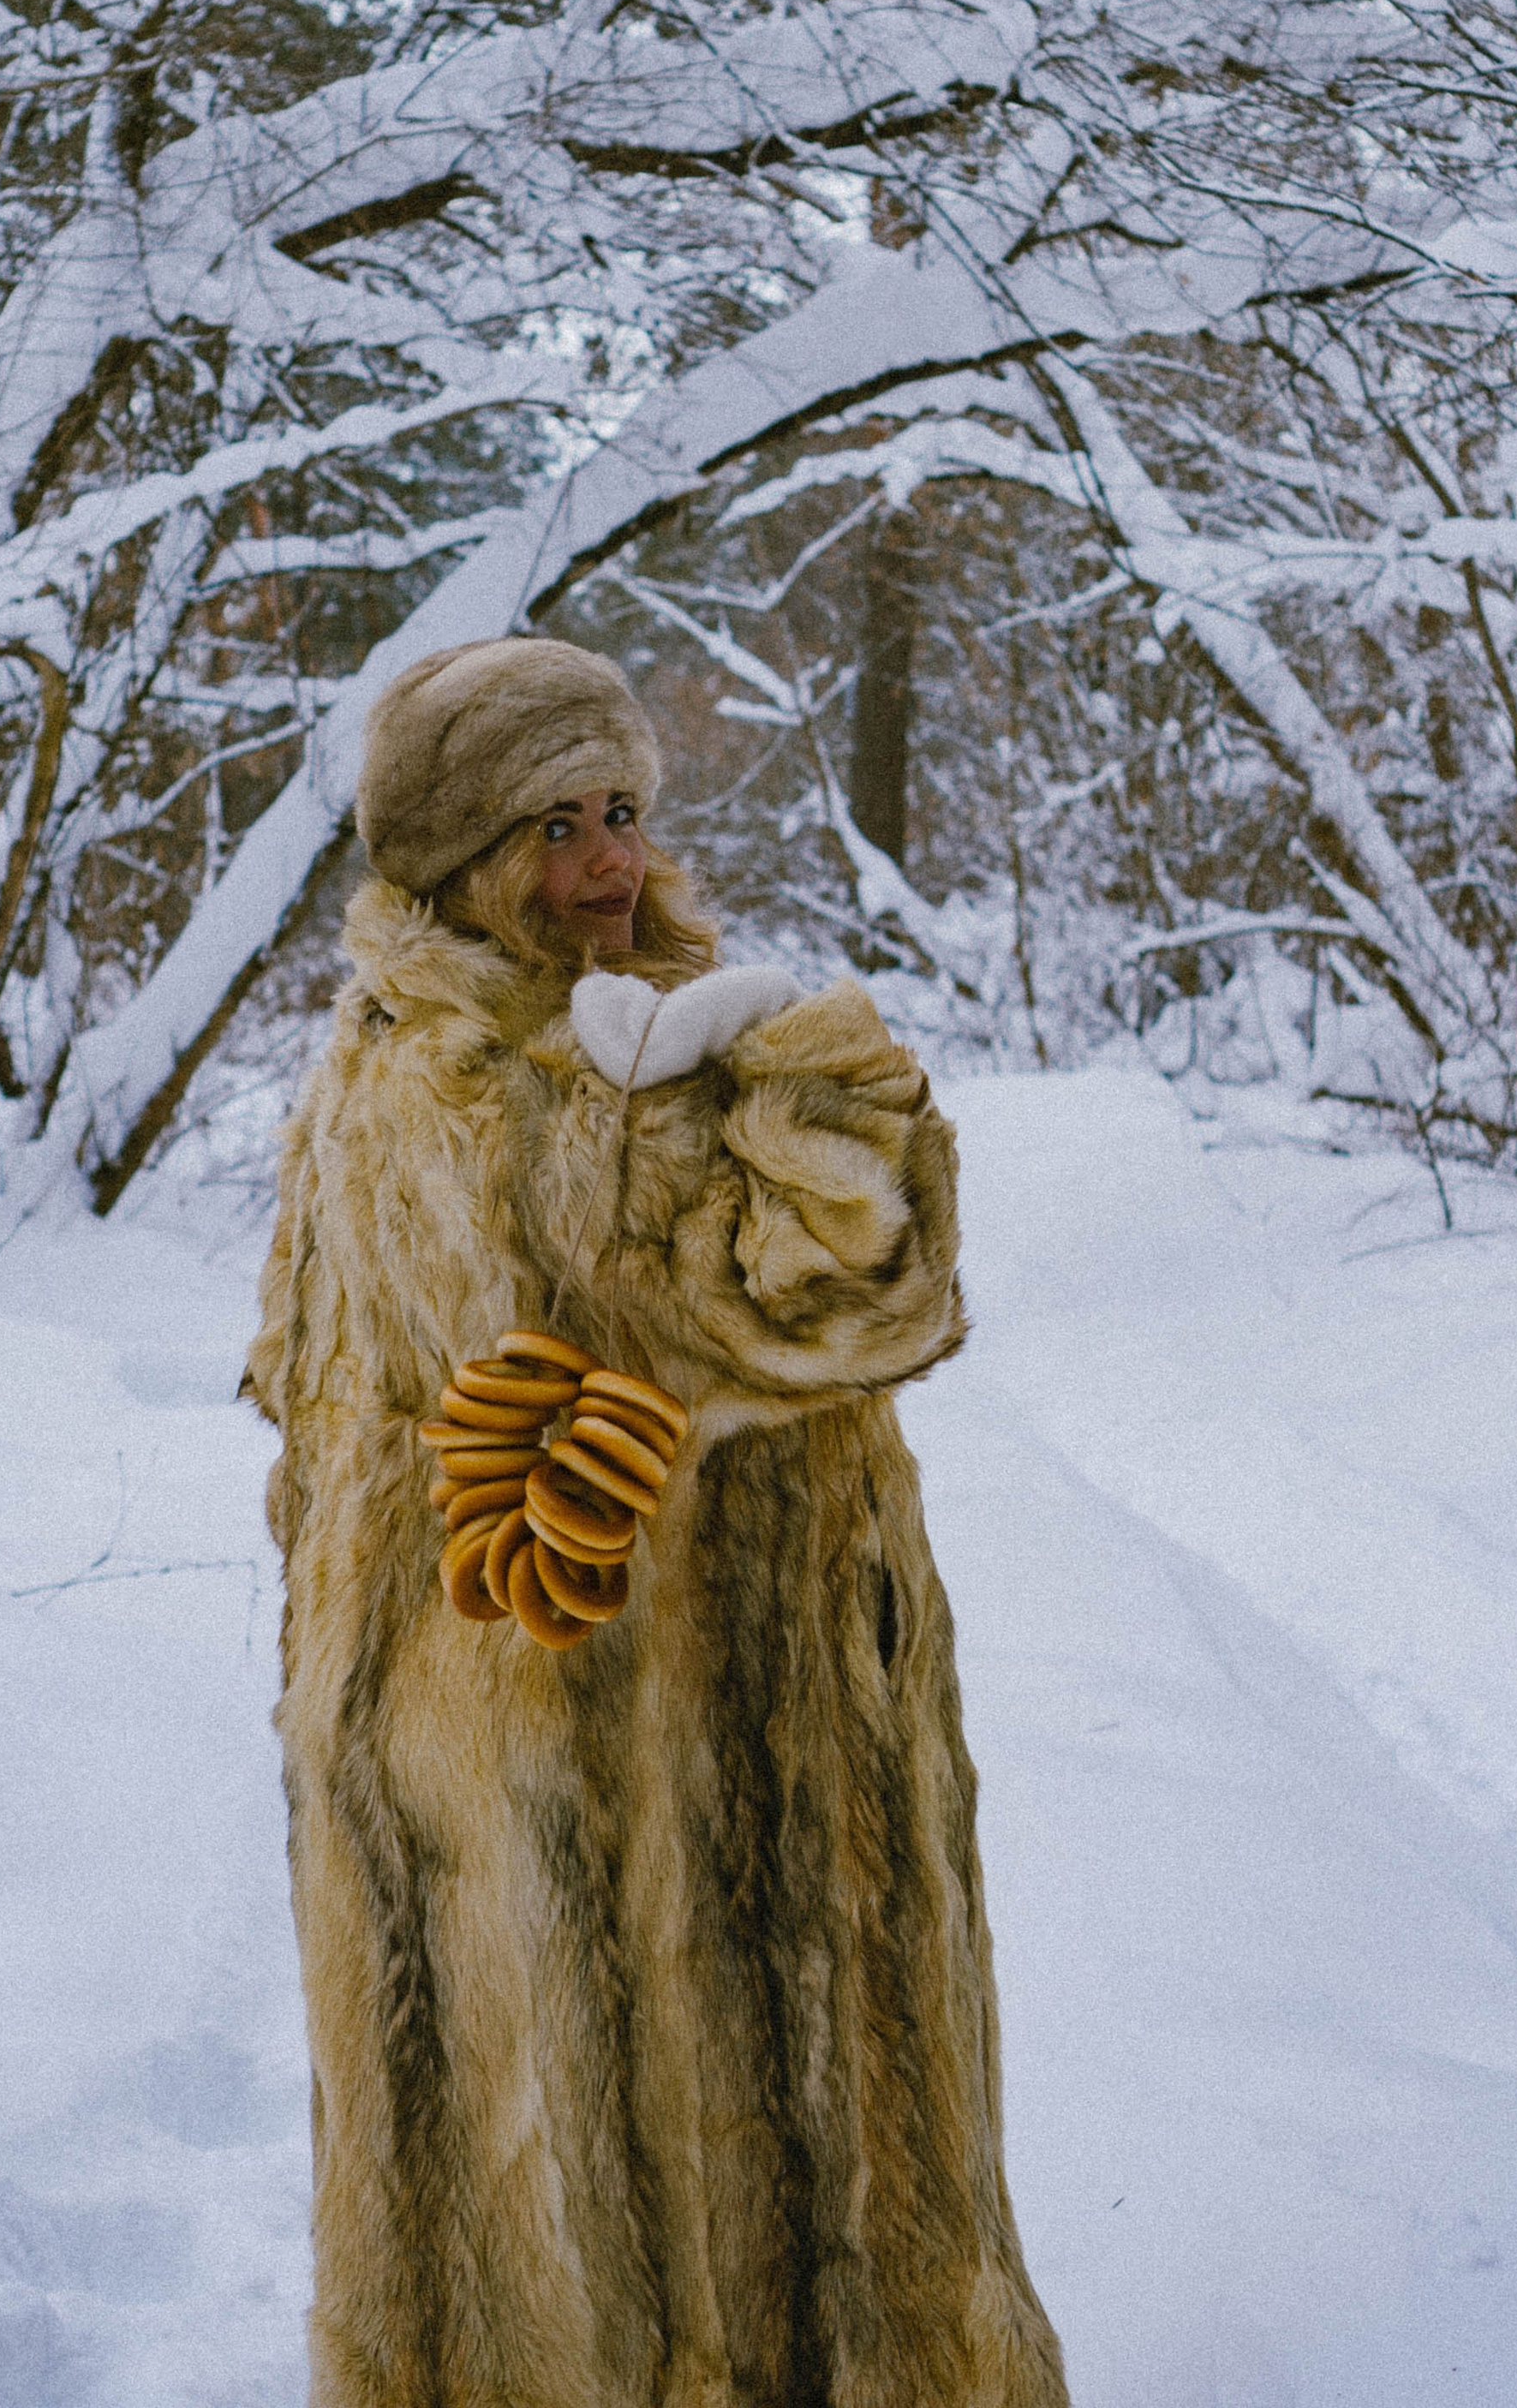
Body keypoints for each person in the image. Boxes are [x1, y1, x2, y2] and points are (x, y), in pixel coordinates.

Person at [244, 634, 1067, 2408]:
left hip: (659, 1732)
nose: (608, 862)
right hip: (589, 1760)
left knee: (681, 2201)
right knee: (654, 2218)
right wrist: (821, 1088)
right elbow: (834, 1307)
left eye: (620, 811)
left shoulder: (509, 1047)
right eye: (553, 828)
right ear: (456, 857)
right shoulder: (494, 1082)